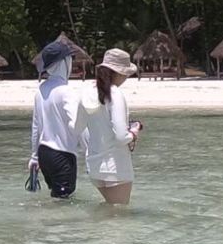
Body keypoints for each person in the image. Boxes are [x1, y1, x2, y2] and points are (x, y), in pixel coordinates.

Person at [78, 48, 143, 205]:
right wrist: (134, 132)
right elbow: (121, 137)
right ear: (119, 73)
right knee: (119, 215)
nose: (127, 77)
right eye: (126, 74)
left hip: (94, 166)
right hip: (115, 166)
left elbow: (77, 129)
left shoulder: (87, 92)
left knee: (109, 211)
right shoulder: (115, 94)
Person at [29, 40, 81, 198]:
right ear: (63, 63)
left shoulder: (41, 89)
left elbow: (36, 127)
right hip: (62, 154)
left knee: (56, 198)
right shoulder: (67, 92)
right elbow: (78, 125)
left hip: (44, 153)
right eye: (69, 59)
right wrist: (90, 153)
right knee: (64, 201)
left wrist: (34, 157)